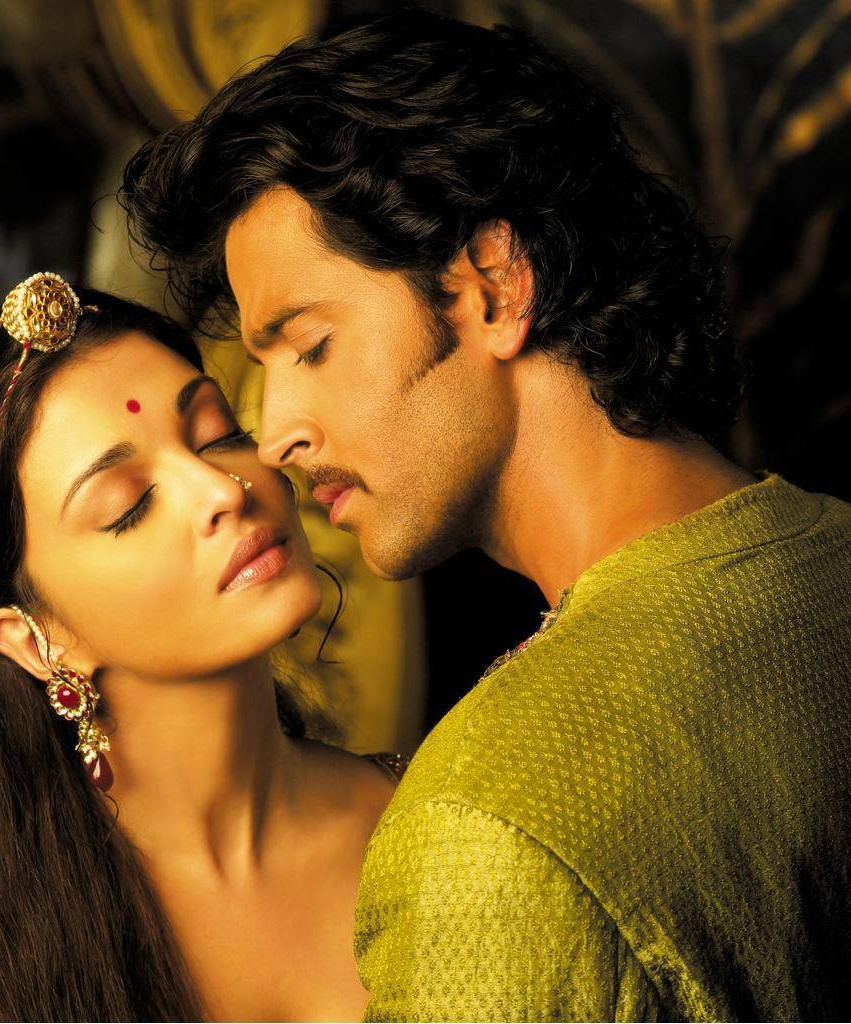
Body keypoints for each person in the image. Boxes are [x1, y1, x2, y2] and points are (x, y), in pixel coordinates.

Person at [120, 11, 851, 1022]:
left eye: (311, 346)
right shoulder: (826, 548)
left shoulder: (490, 824)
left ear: (495, 288)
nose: (275, 433)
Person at [0, 273, 405, 1022]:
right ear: (36, 641)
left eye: (218, 434)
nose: (222, 490)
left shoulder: (438, 821)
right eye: (128, 505)